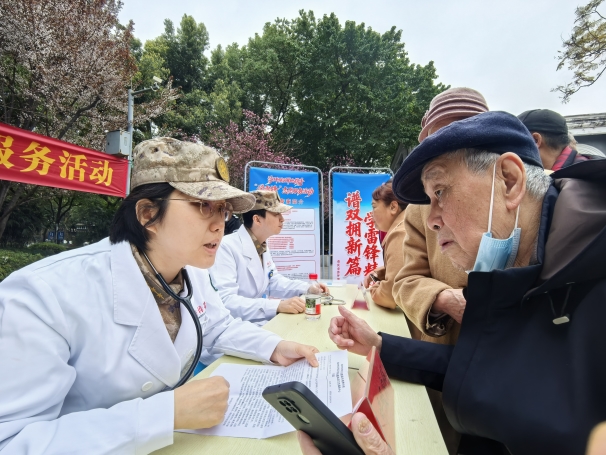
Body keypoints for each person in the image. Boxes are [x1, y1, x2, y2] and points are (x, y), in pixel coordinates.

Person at [306, 111, 606, 455]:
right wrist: (380, 345)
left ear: (509, 181)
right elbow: (491, 367)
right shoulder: (520, 261)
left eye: (440, 191)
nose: (431, 221)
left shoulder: (589, 279)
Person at [0, 138, 320, 454]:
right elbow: (12, 442)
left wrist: (274, 347)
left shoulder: (190, 269)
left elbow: (216, 325)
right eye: (203, 205)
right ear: (148, 214)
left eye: (223, 210)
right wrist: (164, 414)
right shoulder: (41, 297)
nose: (219, 225)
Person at [394, 87, 488, 345]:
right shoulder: (420, 208)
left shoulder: (522, 194)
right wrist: (444, 298)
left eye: (462, 137)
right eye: (438, 142)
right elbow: (405, 282)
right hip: (445, 350)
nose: (435, 220)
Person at [211, 190, 329, 325]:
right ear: (257, 219)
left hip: (253, 322)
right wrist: (276, 306)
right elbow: (226, 301)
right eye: (276, 214)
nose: (282, 219)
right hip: (233, 326)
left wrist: (307, 288)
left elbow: (273, 281)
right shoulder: (226, 247)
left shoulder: (260, 245)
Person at [361, 179, 407, 309]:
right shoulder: (407, 226)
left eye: (374, 207)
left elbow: (389, 296)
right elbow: (407, 268)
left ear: (393, 207)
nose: (371, 214)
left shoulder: (400, 233)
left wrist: (375, 289)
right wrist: (379, 273)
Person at [518, 108, 589, 171]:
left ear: (535, 140)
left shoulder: (573, 177)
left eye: (515, 143)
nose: (513, 153)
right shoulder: (584, 168)